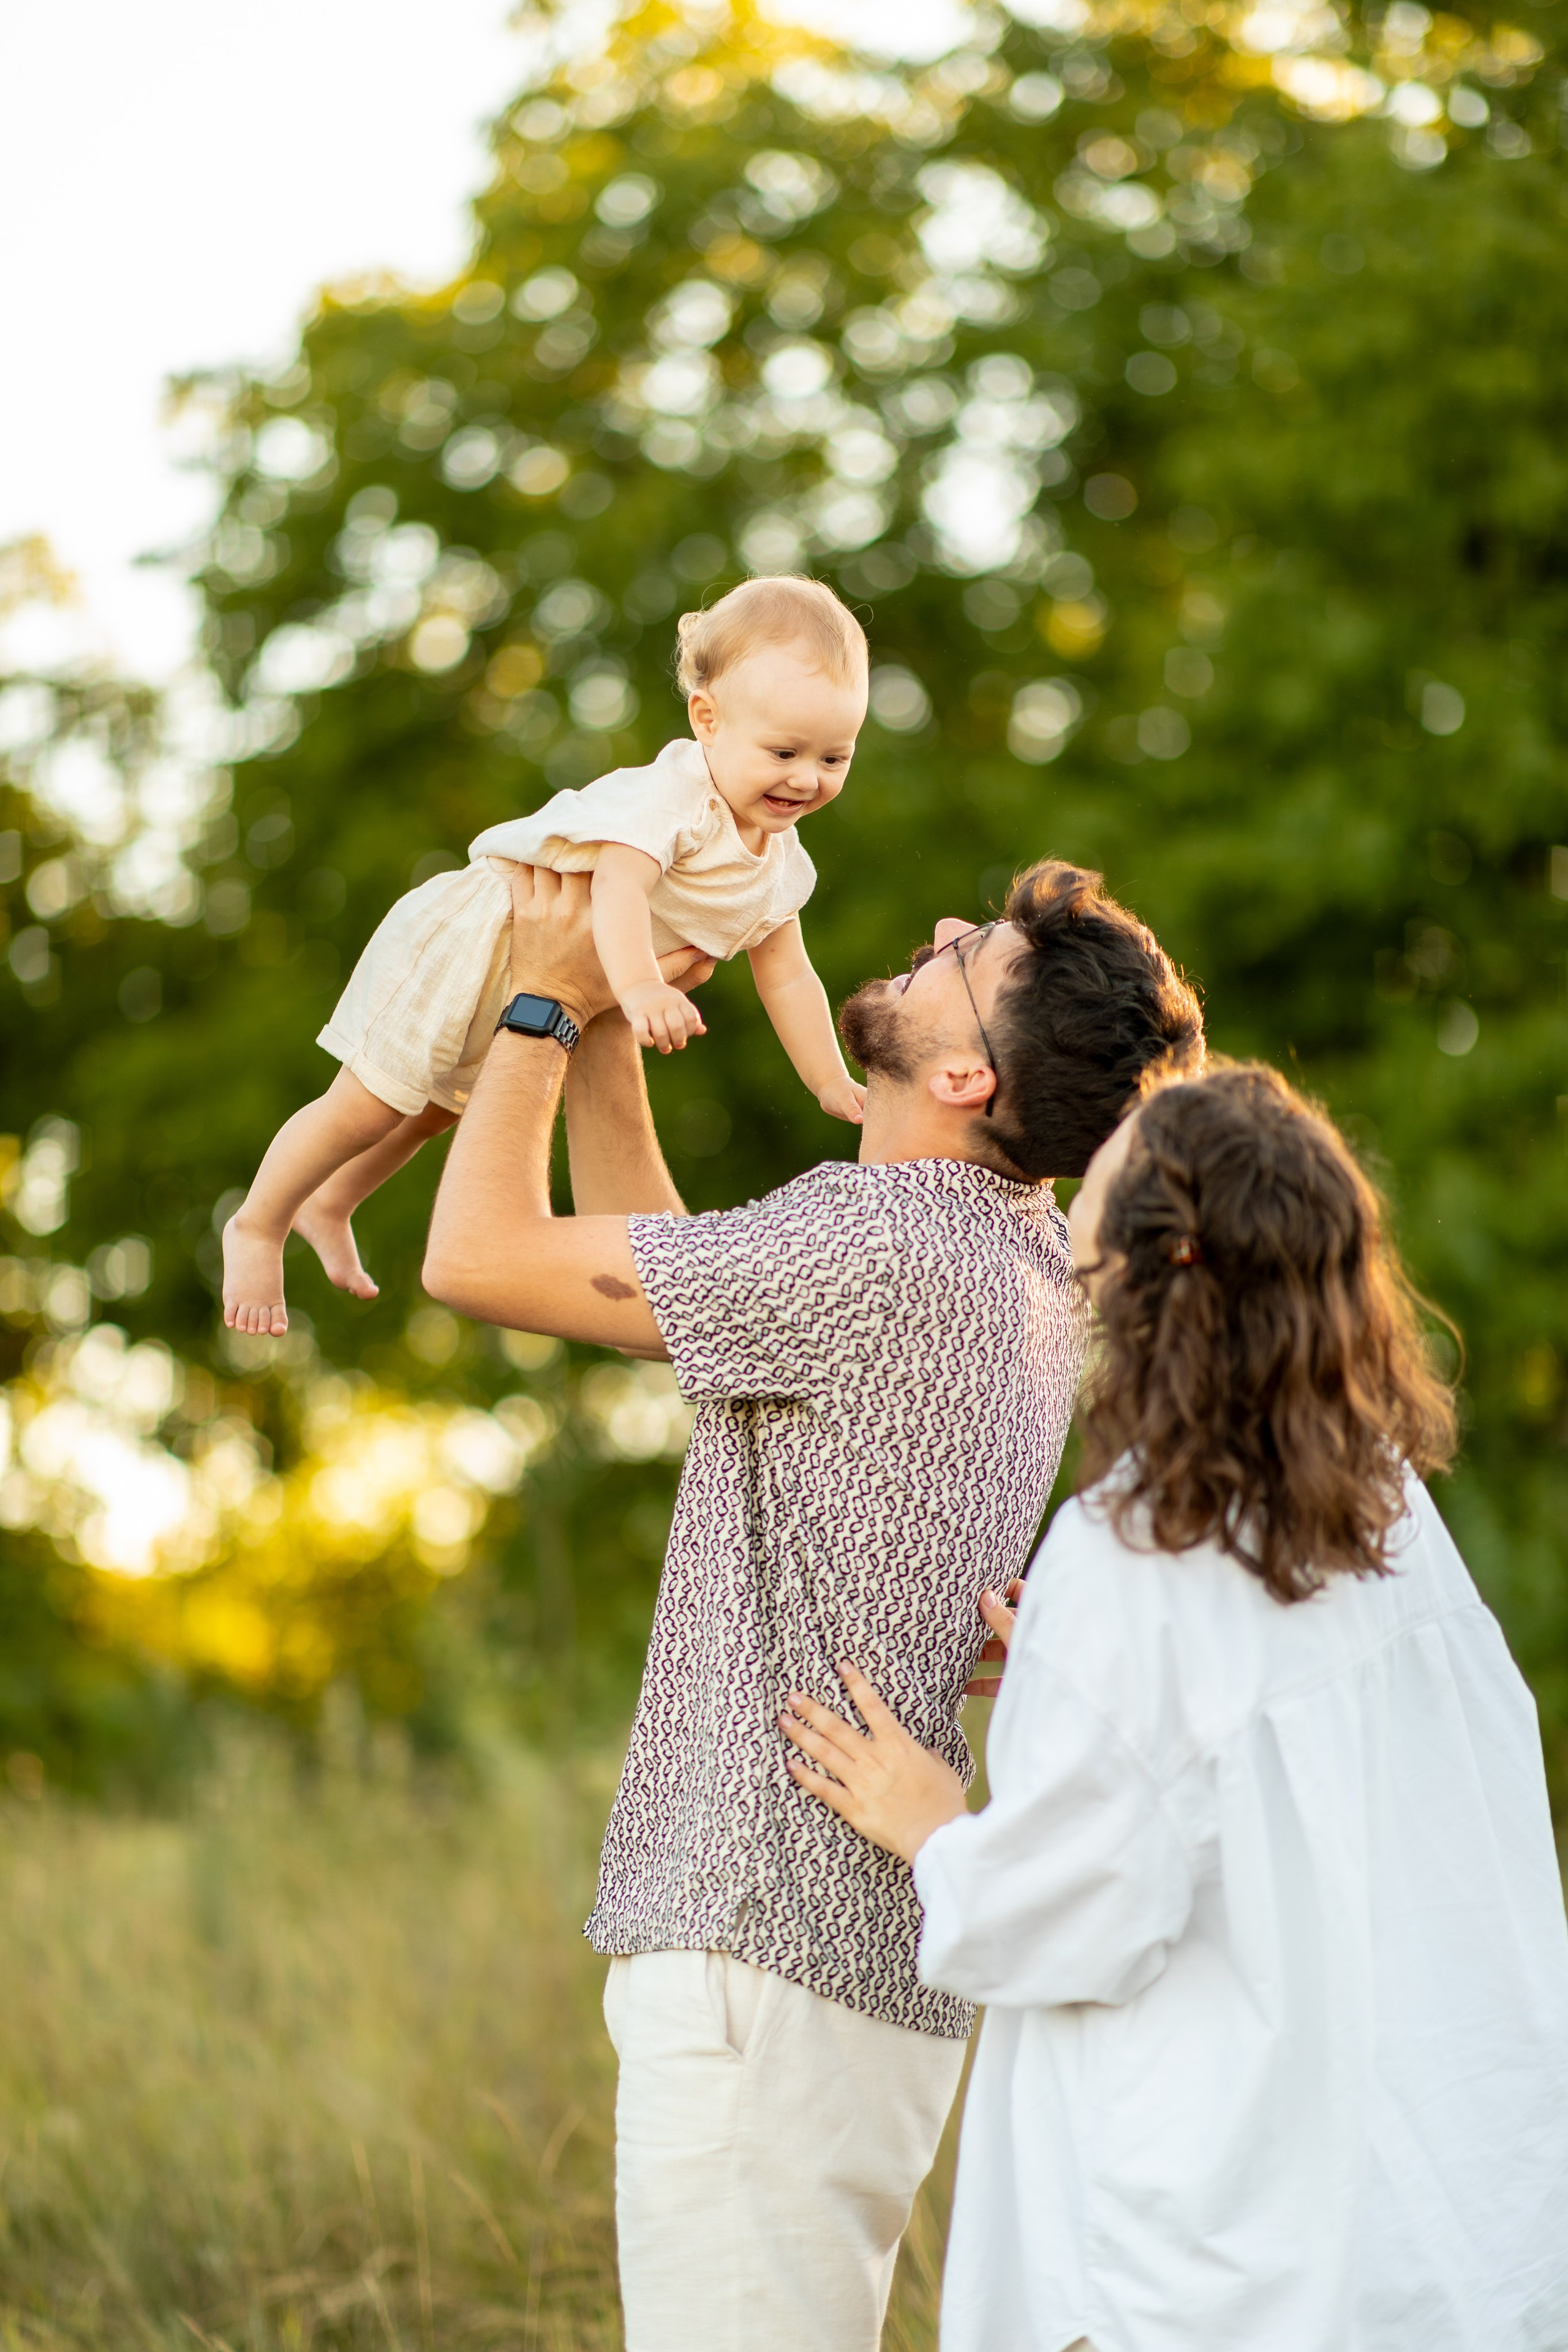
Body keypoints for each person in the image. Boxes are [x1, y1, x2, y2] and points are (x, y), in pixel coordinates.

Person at [420, 853, 1204, 2352]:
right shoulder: (1013, 1255)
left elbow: (474, 1258)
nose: (929, 934)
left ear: (965, 1071)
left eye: (960, 952)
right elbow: (667, 1277)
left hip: (764, 1957)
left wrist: (528, 1000)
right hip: (847, 1962)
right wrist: (601, 1008)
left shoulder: (878, 1242)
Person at [782, 1061, 1568, 2352]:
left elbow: (1067, 1913)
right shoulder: (1381, 1509)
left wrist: (938, 1830)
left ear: (1152, 1265)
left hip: (1219, 2266)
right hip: (1431, 2241)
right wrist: (1088, 1683)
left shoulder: (1130, 1553)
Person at [221, 574, 869, 1337]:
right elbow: (620, 887)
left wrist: (828, 1078)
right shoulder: (677, 797)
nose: (805, 778)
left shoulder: (783, 865)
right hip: (482, 935)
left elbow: (788, 973)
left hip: (544, 967)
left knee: (433, 1113)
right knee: (369, 1101)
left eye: (835, 757)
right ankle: (258, 1225)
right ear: (708, 721)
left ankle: (332, 1202)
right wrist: (636, 991)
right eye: (784, 750)